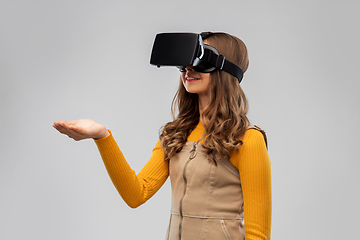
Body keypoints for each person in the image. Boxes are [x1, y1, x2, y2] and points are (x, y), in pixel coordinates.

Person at [53, 32, 272, 240]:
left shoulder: (248, 140)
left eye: (201, 60)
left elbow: (257, 234)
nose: (189, 69)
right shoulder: (176, 135)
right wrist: (102, 136)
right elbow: (136, 194)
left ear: (226, 70)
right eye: (185, 62)